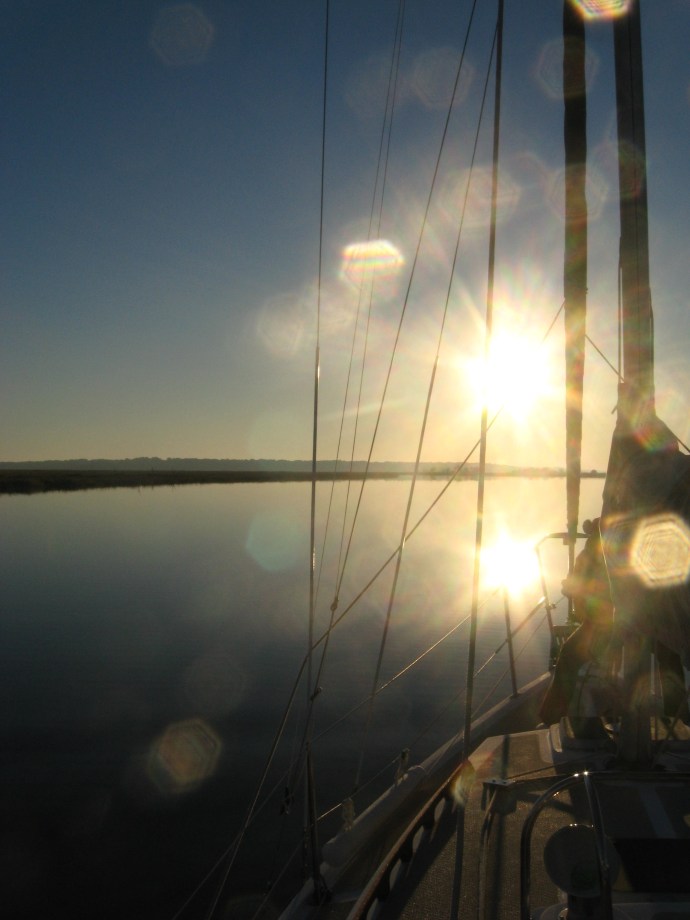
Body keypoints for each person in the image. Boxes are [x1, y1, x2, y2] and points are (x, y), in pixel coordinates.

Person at [539, 519, 614, 726]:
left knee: (569, 655)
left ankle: (552, 719)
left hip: (608, 625)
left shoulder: (594, 553)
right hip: (640, 624)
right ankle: (677, 714)